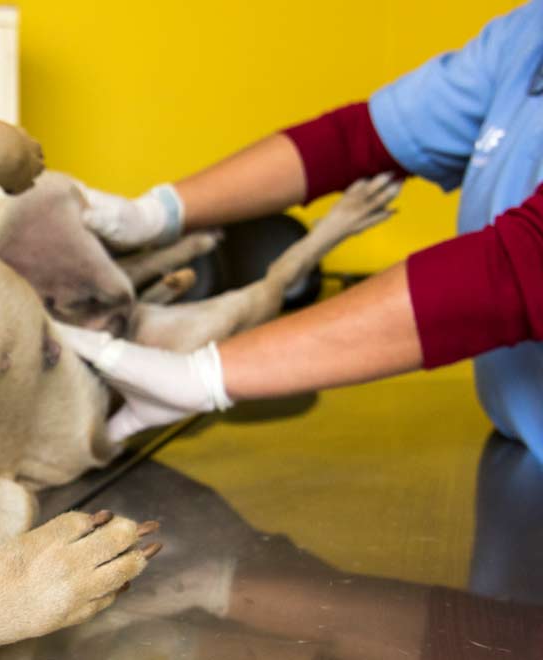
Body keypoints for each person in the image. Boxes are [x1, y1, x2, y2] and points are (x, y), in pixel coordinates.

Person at [51, 1, 543, 460]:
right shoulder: (524, 33)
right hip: (516, 441)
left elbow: (525, 263)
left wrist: (207, 375)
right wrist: (158, 212)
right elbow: (362, 139)